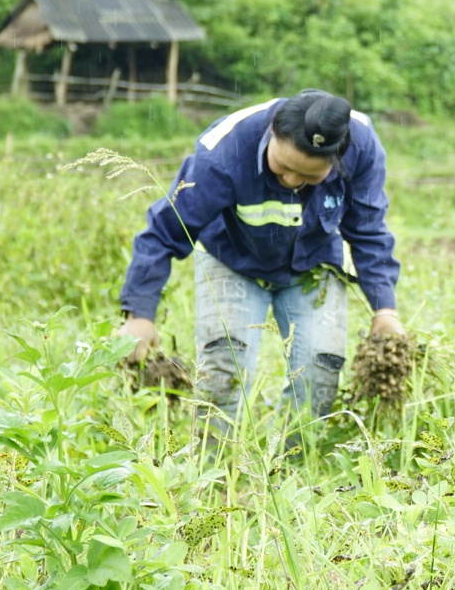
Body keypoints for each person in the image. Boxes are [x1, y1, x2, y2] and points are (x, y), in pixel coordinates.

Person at [117, 90, 404, 429]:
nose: (292, 181)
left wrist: (385, 311)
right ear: (272, 133)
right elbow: (164, 231)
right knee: (223, 371)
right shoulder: (222, 152)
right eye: (282, 166)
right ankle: (216, 473)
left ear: (337, 159)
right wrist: (139, 316)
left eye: (310, 177)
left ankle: (293, 468)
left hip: (315, 263)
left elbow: (368, 230)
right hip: (232, 260)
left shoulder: (362, 145)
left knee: (319, 374)